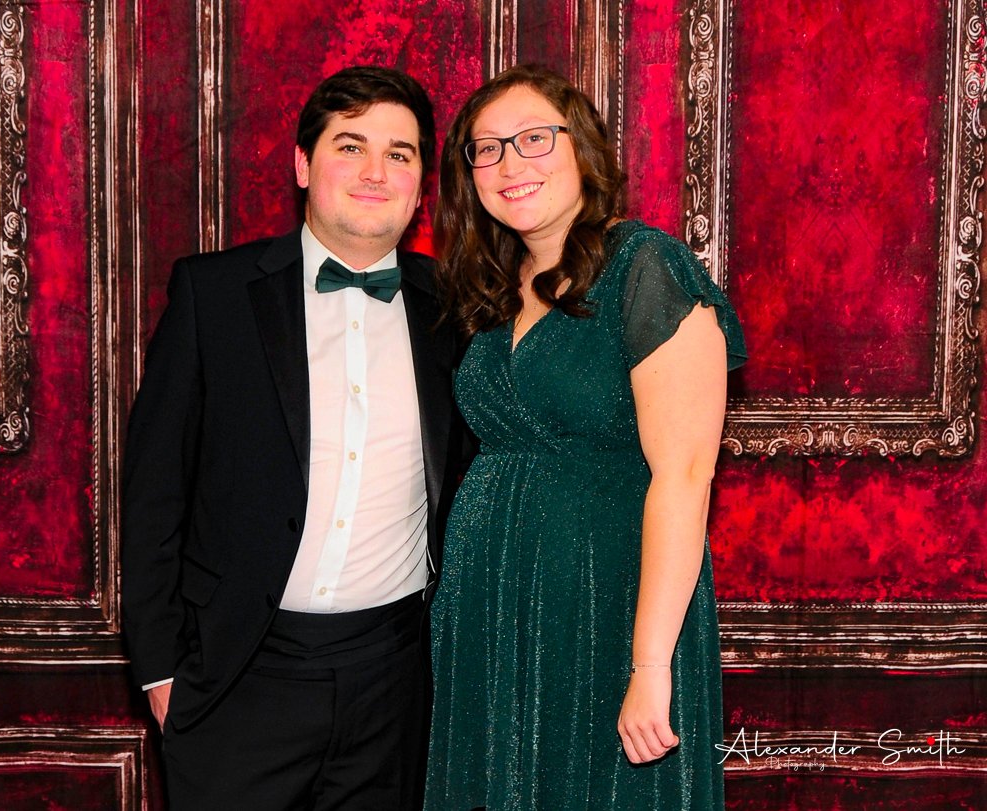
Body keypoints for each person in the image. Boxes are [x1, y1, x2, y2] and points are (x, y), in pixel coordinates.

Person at [121, 66, 468, 810]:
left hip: (395, 683)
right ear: (303, 164)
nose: (376, 171)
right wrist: (161, 672)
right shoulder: (213, 295)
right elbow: (153, 492)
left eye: (400, 153)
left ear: (421, 186)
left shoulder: (458, 309)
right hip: (237, 676)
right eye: (351, 146)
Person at [424, 65, 747, 810]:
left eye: (534, 138)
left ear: (584, 149)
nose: (511, 162)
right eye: (487, 148)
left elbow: (685, 473)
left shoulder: (644, 265)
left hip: (611, 603)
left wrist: (650, 665)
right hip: (491, 607)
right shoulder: (490, 288)